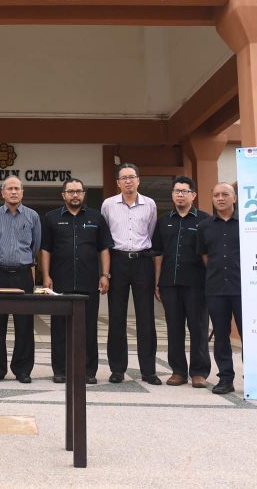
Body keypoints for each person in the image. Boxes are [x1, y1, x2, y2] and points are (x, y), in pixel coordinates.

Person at [41, 179, 112, 384]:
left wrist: (105, 274)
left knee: (89, 328)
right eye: (70, 191)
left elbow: (104, 248)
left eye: (78, 191)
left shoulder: (96, 218)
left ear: (84, 194)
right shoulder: (51, 218)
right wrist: (46, 276)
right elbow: (46, 249)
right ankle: (60, 370)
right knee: (59, 328)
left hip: (88, 281)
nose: (75, 195)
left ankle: (88, 371)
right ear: (63, 194)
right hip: (60, 282)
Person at [101, 163, 160, 385]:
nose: (128, 181)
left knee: (146, 318)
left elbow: (151, 234)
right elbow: (105, 238)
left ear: (138, 180)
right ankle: (117, 369)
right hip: (117, 262)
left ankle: (148, 370)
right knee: (116, 318)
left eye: (132, 177)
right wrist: (105, 273)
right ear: (117, 182)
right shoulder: (108, 205)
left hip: (142, 261)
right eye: (123, 178)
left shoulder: (150, 204)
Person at [152, 176, 211, 388]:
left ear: (193, 195)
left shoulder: (204, 221)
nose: (180, 195)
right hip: (169, 282)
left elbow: (209, 254)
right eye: (176, 191)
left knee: (198, 327)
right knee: (174, 328)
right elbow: (158, 253)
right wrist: (157, 281)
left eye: (184, 191)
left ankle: (199, 372)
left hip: (197, 283)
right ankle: (178, 371)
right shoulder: (164, 220)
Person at [0, 176, 41, 383]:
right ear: (3, 193)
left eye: (17, 188)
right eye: (9, 188)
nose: (14, 192)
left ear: (22, 192)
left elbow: (36, 246)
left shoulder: (33, 216)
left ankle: (23, 369)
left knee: (25, 323)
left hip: (23, 274)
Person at [196, 182, 242, 395]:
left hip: (242, 288)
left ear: (234, 198)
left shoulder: (245, 223)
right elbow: (205, 256)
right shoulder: (205, 226)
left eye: (225, 194)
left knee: (247, 336)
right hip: (215, 288)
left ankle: (253, 377)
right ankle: (225, 378)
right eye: (216, 195)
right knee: (221, 336)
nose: (220, 198)